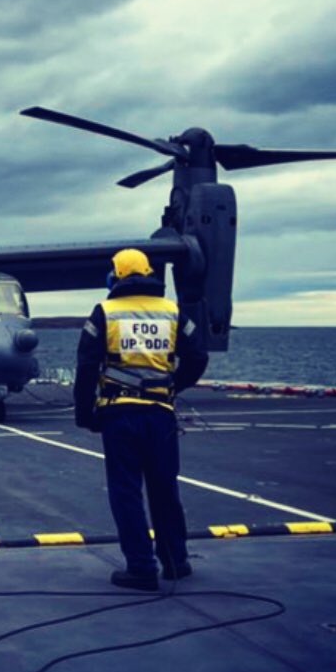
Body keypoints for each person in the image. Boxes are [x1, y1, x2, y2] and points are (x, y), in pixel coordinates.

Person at [74, 248, 208, 591]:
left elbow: (87, 366)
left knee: (126, 491)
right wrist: (173, 385)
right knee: (165, 489)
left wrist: (85, 413)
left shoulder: (105, 312)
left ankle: (141, 567)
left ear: (116, 276)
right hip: (160, 415)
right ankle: (176, 561)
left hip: (119, 416)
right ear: (148, 272)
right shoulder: (174, 311)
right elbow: (197, 357)